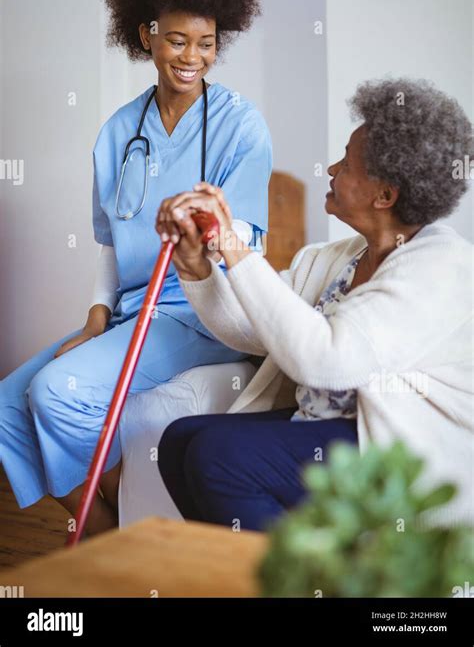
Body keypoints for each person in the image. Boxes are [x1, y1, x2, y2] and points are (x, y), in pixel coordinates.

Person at [0, 0, 272, 536]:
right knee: (4, 408)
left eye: (206, 44)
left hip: (203, 316)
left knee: (57, 393)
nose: (191, 57)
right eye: (176, 40)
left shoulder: (241, 126)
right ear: (146, 33)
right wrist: (96, 319)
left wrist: (204, 239)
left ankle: (118, 524)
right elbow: (109, 241)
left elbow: (244, 242)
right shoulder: (119, 131)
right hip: (130, 311)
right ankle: (102, 528)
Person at [156, 77, 473, 532]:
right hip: (333, 427)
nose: (331, 168)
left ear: (384, 195)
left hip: (396, 452)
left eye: (347, 163)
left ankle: (299, 578)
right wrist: (197, 267)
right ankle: (239, 571)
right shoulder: (340, 258)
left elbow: (327, 362)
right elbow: (252, 326)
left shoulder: (441, 268)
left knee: (217, 456)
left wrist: (232, 245)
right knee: (180, 441)